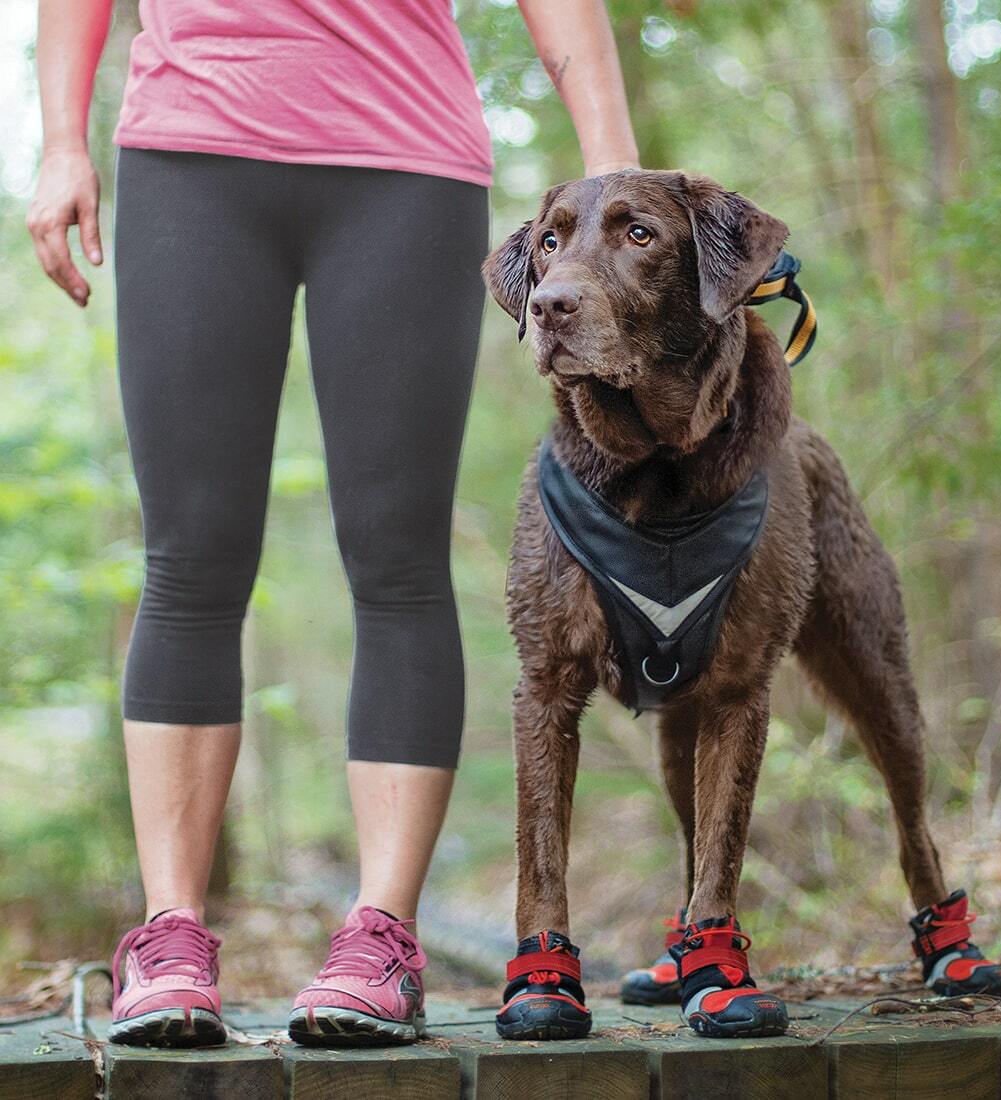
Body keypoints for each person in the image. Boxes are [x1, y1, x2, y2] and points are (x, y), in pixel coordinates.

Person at [27, 0, 639, 1048]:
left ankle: (381, 937)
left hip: (407, 163)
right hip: (189, 155)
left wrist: (614, 175)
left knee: (399, 556)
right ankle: (169, 937)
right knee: (189, 559)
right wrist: (57, 140)